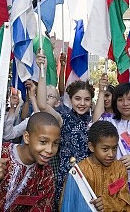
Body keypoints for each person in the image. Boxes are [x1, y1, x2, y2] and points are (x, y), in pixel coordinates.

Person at [36, 53, 95, 208]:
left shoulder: (94, 123)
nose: (82, 103)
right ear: (70, 99)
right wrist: (41, 71)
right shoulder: (63, 118)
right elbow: (42, 104)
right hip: (67, 177)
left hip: (89, 177)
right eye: (77, 99)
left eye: (86, 99)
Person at [92, 79, 130, 211]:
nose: (125, 104)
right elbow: (95, 124)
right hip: (112, 187)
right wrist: (102, 92)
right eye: (120, 100)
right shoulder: (109, 120)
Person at [67, 121, 130, 211]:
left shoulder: (120, 169)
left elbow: (126, 204)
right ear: (91, 147)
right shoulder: (80, 171)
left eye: (114, 148)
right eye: (105, 149)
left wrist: (106, 203)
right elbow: (70, 205)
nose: (111, 154)